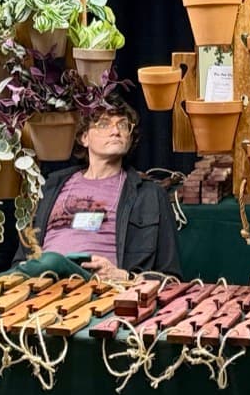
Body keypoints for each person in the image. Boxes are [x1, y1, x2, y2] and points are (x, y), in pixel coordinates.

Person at [20, 101, 181, 280]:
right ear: (84, 137)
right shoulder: (51, 187)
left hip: (99, 288)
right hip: (40, 285)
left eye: (123, 125)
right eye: (104, 124)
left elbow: (171, 278)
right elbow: (23, 259)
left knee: (51, 261)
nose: (116, 131)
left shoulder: (150, 195)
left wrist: (125, 277)